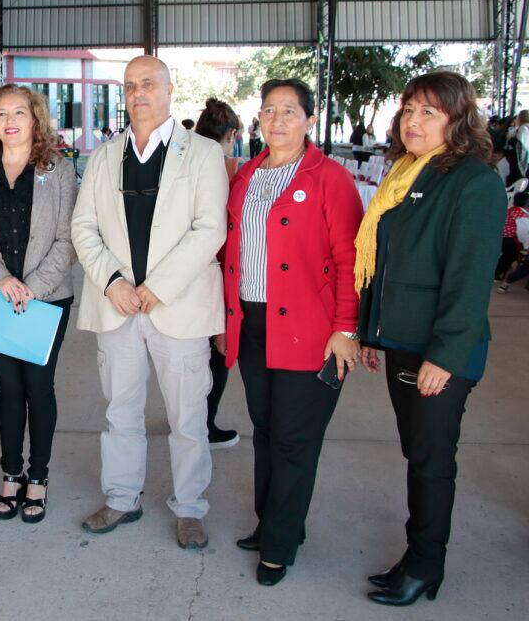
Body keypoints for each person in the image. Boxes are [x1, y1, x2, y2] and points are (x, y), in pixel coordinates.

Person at [356, 71, 506, 606]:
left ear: (457, 119)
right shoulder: (405, 172)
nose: (412, 121)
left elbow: (469, 278)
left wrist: (445, 355)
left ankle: (425, 566)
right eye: (408, 110)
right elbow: (387, 261)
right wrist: (373, 333)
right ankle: (416, 558)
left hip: (441, 351)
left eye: (428, 112)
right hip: (401, 340)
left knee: (431, 458)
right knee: (417, 452)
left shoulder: (473, 180)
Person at [72, 55, 228, 549]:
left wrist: (157, 286)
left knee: (187, 417)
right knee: (121, 410)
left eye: (148, 84)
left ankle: (190, 507)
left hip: (176, 306)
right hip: (117, 306)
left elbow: (210, 229)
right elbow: (84, 227)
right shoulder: (103, 156)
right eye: (130, 85)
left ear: (168, 89)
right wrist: (112, 281)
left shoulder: (201, 153)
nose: (139, 93)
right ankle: (121, 497)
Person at [222, 78, 364, 587]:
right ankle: (273, 525)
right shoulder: (246, 176)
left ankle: (280, 545)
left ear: (308, 118)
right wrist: (226, 319)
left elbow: (351, 261)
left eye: (288, 110)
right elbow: (230, 254)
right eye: (268, 110)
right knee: (265, 430)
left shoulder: (331, 179)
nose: (277, 119)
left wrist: (346, 328)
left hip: (312, 329)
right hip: (253, 322)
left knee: (294, 440)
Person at [0, 84, 77, 523]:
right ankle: (11, 475)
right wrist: (3, 281)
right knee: (9, 390)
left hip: (47, 300)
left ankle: (38, 478)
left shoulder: (58, 170)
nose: (10, 120)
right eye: (1, 112)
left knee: (39, 389)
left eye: (19, 112)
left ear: (34, 119)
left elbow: (67, 240)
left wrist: (31, 288)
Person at [193, 97, 244, 448]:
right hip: (223, 271)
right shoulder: (238, 171)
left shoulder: (184, 165)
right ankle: (205, 423)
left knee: (190, 353)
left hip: (186, 270)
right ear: (233, 134)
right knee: (219, 351)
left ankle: (190, 414)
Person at [497, 191, 529, 292]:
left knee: (509, 257)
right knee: (511, 257)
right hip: (511, 239)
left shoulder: (513, 210)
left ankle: (502, 278)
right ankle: (500, 276)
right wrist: (526, 245)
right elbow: (523, 232)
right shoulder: (521, 214)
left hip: (504, 237)